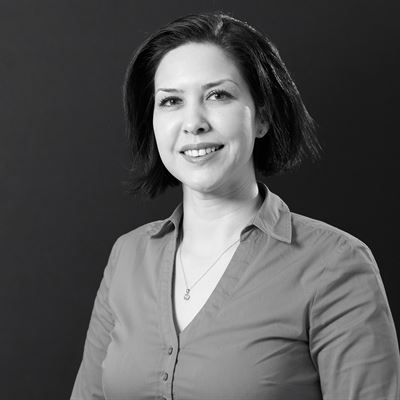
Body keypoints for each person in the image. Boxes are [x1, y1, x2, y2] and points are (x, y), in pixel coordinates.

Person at [71, 12, 400, 400]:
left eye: (218, 95)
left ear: (262, 117)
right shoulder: (127, 257)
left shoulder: (335, 264)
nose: (193, 123)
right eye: (171, 101)